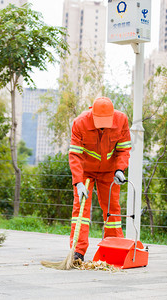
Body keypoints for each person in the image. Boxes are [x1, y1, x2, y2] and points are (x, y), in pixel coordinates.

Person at [68, 96, 132, 261]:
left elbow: (124, 150)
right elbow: (75, 155)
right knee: (80, 210)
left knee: (112, 210)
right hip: (85, 172)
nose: (103, 125)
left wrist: (120, 170)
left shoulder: (121, 120)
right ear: (92, 115)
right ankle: (77, 252)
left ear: (112, 116)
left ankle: (114, 246)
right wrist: (78, 182)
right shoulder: (80, 123)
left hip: (109, 171)